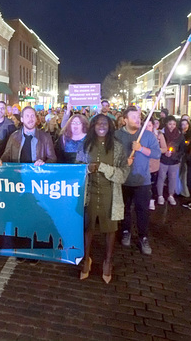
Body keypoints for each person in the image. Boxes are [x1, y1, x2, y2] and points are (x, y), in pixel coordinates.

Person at [76, 114, 129, 284]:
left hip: (110, 193)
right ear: (93, 126)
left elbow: (123, 174)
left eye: (104, 123)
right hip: (90, 192)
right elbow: (76, 169)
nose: (101, 126)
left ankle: (107, 261)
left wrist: (104, 168)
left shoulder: (118, 147)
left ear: (110, 126)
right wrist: (87, 168)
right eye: (98, 123)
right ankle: (86, 259)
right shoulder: (85, 144)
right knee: (88, 227)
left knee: (110, 229)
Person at [114, 107, 161, 255]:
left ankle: (143, 237)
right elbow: (111, 155)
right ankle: (126, 231)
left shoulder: (147, 135)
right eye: (133, 116)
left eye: (139, 116)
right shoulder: (117, 135)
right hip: (124, 180)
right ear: (124, 120)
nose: (138, 119)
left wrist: (141, 149)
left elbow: (157, 153)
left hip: (143, 181)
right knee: (125, 209)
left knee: (143, 211)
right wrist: (123, 162)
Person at [156, 116, 185, 206]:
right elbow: (157, 147)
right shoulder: (161, 134)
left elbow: (182, 149)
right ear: (166, 124)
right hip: (163, 160)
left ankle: (171, 195)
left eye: (174, 124)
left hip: (174, 161)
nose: (172, 126)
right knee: (161, 177)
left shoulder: (180, 135)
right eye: (170, 124)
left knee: (172, 178)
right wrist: (164, 153)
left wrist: (175, 155)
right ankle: (160, 195)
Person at [147, 117, 167, 211]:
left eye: (150, 125)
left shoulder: (158, 135)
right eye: (146, 125)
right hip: (143, 164)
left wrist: (154, 151)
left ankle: (152, 200)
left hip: (154, 164)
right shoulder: (140, 135)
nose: (148, 127)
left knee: (153, 183)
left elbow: (164, 148)